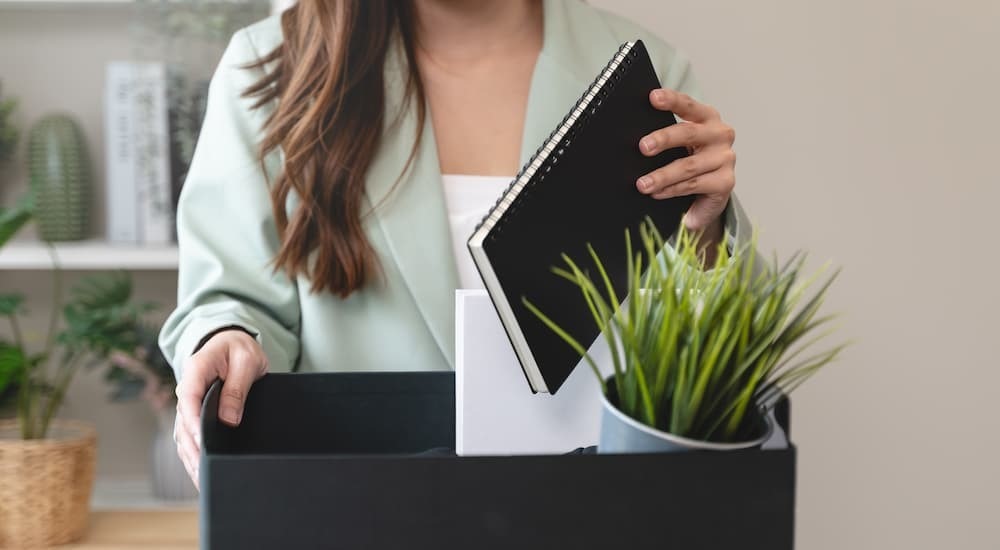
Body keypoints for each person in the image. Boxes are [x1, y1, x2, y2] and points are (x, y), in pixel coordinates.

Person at [159, 0, 749, 486]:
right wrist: (226, 339)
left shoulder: (642, 75)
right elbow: (232, 296)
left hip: (589, 511)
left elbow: (701, 358)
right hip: (357, 508)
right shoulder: (269, 67)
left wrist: (705, 231)